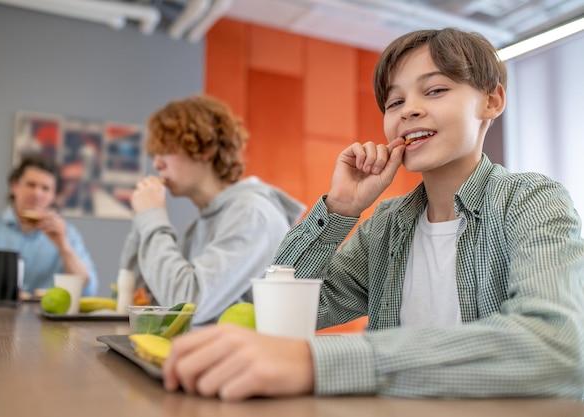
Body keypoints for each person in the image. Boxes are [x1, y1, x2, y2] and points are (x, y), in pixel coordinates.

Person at [160, 28, 584, 400]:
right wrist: (341, 209)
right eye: (394, 101)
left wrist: (317, 363)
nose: (408, 110)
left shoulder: (532, 201)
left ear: (491, 101)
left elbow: (556, 346)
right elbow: (290, 310)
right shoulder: (387, 225)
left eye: (434, 90)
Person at [119, 94, 305, 324]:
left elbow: (185, 306)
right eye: (155, 155)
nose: (157, 164)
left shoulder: (252, 214)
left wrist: (152, 218)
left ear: (205, 149)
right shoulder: (200, 225)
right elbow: (140, 297)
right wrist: (142, 223)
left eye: (165, 151)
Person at [0, 155, 99, 296]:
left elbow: (87, 290)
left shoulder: (68, 235)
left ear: (53, 195)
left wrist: (63, 245)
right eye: (31, 185)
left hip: (47, 315)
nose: (37, 194)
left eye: (45, 188)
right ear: (14, 186)